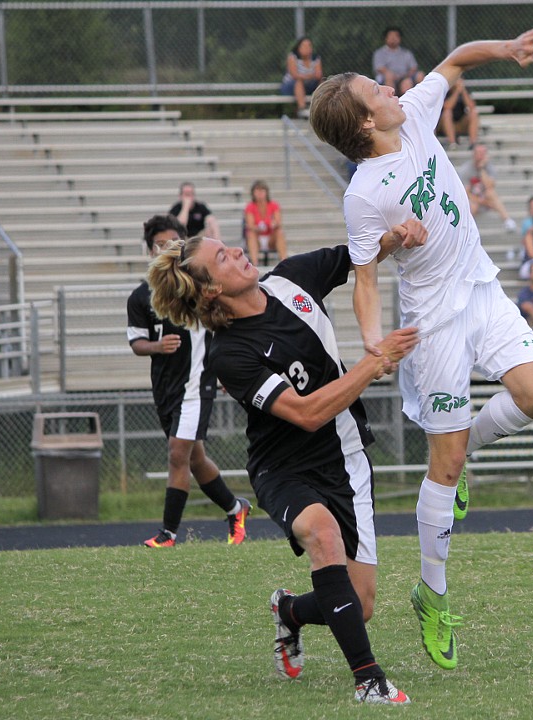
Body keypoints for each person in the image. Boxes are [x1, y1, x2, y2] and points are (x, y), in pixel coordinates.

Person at [308, 22, 533, 672]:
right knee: (441, 469)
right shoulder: (365, 194)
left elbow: (452, 62)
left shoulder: (415, 114)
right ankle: (433, 593)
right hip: (433, 324)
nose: (392, 88)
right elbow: (365, 278)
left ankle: (468, 447)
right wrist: (372, 344)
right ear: (366, 124)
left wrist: (504, 51)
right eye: (377, 90)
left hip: (481, 288)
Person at [146, 233, 420, 705]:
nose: (236, 251)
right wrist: (375, 361)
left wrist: (396, 236)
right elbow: (308, 413)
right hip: (283, 469)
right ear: (211, 291)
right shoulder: (229, 354)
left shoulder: (294, 279)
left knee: (361, 604)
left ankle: (290, 611)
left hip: (347, 458)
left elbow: (361, 251)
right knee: (322, 533)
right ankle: (369, 680)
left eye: (228, 245)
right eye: (223, 257)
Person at [126, 215, 251, 547]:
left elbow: (223, 324)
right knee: (194, 458)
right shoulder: (141, 296)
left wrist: (227, 369)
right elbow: (136, 342)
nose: (165, 249)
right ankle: (236, 508)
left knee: (177, 454)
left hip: (196, 386)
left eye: (172, 244)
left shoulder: (197, 286)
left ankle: (168, 534)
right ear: (149, 249)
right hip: (165, 388)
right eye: (159, 245)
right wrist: (156, 346)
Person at [456, 144, 517, 231]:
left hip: (485, 197)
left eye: (483, 153)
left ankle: (507, 220)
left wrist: (481, 169)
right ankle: (465, 227)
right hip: (472, 199)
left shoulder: (489, 168)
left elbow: (489, 186)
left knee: (491, 193)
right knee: (473, 206)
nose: (481, 155)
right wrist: (482, 201)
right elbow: (465, 193)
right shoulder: (465, 170)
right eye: (479, 153)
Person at [243, 180, 286, 266]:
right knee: (250, 233)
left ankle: (284, 262)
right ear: (253, 193)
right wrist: (259, 228)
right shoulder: (250, 207)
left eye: (262, 191)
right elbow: (250, 225)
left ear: (266, 192)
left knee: (279, 232)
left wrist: (272, 224)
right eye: (257, 191)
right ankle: (255, 264)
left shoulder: (274, 205)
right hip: (257, 238)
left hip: (270, 237)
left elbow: (278, 221)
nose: (260, 193)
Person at [372, 27, 424, 95]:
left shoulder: (406, 53)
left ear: (400, 38)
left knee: (418, 76)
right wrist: (392, 75)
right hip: (387, 78)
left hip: (404, 77)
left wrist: (406, 76)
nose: (393, 38)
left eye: (396, 36)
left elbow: (413, 68)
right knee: (388, 76)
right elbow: (380, 68)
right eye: (391, 36)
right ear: (386, 38)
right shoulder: (379, 53)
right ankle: (390, 101)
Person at [279, 36, 323, 113]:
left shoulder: (316, 58)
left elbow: (318, 75)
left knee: (322, 81)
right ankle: (302, 109)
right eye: (304, 46)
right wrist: (310, 76)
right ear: (298, 47)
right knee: (299, 81)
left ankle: (321, 107)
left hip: (308, 86)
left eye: (309, 45)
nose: (307, 48)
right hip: (291, 86)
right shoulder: (293, 56)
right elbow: (295, 75)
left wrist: (305, 76)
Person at [438, 77, 479, 149]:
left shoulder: (464, 90)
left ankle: (473, 143)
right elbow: (447, 106)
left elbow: (471, 106)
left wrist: (463, 91)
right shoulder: (444, 90)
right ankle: (453, 143)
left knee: (473, 113)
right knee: (447, 113)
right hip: (444, 124)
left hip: (460, 123)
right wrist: (456, 91)